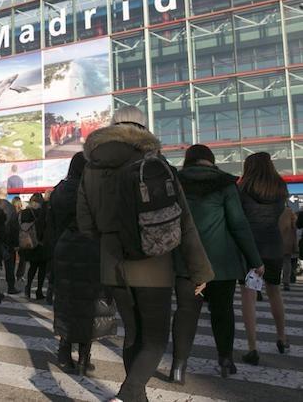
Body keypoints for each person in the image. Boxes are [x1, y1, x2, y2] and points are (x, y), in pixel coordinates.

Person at [77, 106, 213, 402]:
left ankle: (136, 396)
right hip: (153, 259)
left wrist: (110, 241)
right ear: (144, 128)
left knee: (134, 334)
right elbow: (183, 220)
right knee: (155, 338)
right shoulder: (154, 161)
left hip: (112, 262)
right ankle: (129, 393)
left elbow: (85, 222)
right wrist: (199, 270)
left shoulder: (91, 166)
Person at [170, 144, 263, 383]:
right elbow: (238, 225)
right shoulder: (225, 184)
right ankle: (225, 360)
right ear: (211, 160)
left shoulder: (175, 183)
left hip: (187, 264)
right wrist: (255, 260)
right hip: (220, 266)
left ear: (188, 161)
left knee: (186, 312)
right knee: (223, 313)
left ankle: (178, 367)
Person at [53, 152, 117, 375]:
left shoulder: (60, 190)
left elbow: (52, 223)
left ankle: (64, 350)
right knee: (90, 304)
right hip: (92, 250)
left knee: (67, 302)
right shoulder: (95, 190)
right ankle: (84, 357)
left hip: (64, 250)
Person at [238, 152, 290, 364]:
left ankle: (252, 348)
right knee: (274, 291)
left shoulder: (242, 189)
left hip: (251, 248)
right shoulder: (280, 188)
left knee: (249, 296)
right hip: (274, 246)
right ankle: (282, 337)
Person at [19, 192, 50, 300]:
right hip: (41, 242)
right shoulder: (42, 212)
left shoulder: (25, 212)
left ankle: (28, 288)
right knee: (42, 268)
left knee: (32, 267)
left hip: (29, 241)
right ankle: (39, 291)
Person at [0, 187, 19, 295]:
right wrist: (16, 243)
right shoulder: (10, 207)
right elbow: (14, 226)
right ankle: (11, 286)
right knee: (10, 265)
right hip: (8, 239)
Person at [280, 205, 297, 292]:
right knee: (287, 261)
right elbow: (295, 225)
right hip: (287, 240)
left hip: (273, 241)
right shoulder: (289, 211)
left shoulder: (270, 209)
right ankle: (286, 282)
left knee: (273, 262)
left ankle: (272, 281)